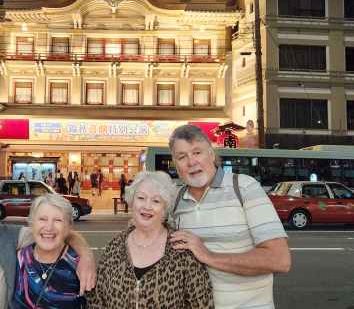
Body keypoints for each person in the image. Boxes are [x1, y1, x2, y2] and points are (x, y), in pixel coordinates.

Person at [168, 124, 291, 309]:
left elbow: (279, 259)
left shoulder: (244, 188)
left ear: (211, 154)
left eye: (197, 152)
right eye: (182, 157)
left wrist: (208, 256)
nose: (191, 162)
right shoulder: (175, 200)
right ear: (175, 164)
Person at [87, 171, 214, 308]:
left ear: (165, 208)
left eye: (156, 201)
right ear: (131, 201)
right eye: (141, 198)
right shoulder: (114, 247)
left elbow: (202, 304)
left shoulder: (182, 250)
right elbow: (97, 301)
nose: (147, 206)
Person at [13, 193, 86, 308]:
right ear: (31, 223)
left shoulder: (80, 266)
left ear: (68, 227)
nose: (49, 227)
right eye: (42, 219)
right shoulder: (17, 259)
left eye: (57, 220)